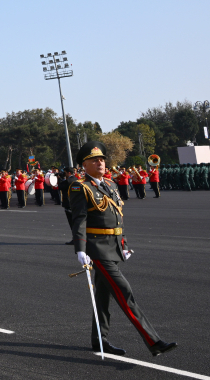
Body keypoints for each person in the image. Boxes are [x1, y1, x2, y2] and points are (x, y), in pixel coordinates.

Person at [70, 142, 176, 357]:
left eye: (101, 159)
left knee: (103, 297)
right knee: (124, 291)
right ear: (84, 165)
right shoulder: (80, 187)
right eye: (94, 160)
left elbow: (118, 216)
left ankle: (99, 340)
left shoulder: (110, 184)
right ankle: (153, 341)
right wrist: (80, 249)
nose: (100, 163)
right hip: (97, 249)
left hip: (113, 247)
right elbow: (79, 219)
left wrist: (124, 244)